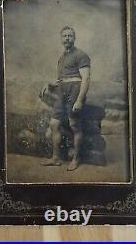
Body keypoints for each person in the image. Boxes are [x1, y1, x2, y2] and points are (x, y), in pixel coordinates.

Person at [41, 26, 91, 171]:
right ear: (61, 39)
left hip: (74, 92)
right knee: (54, 124)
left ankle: (76, 158)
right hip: (62, 93)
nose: (67, 38)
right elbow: (61, 80)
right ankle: (56, 158)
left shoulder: (81, 55)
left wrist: (80, 100)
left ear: (74, 38)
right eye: (65, 36)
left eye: (70, 36)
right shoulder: (62, 58)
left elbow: (86, 79)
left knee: (75, 126)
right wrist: (48, 84)